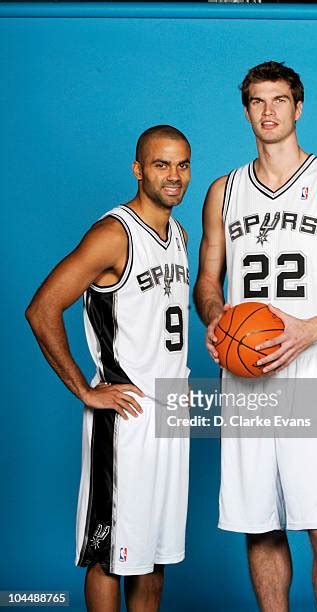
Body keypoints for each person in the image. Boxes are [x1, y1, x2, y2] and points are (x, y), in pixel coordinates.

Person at [194, 61, 317, 611]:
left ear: (298, 108)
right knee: (259, 525)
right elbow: (207, 282)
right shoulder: (223, 192)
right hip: (245, 374)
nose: (269, 111)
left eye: (280, 100)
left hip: (315, 372)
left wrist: (309, 330)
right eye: (257, 101)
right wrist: (215, 318)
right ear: (246, 110)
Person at [26, 125, 191, 612]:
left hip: (172, 415)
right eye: (161, 165)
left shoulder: (178, 233)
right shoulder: (113, 235)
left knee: (154, 558)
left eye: (182, 164)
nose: (174, 176)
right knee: (110, 556)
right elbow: (42, 309)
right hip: (127, 420)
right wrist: (84, 389)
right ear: (138, 170)